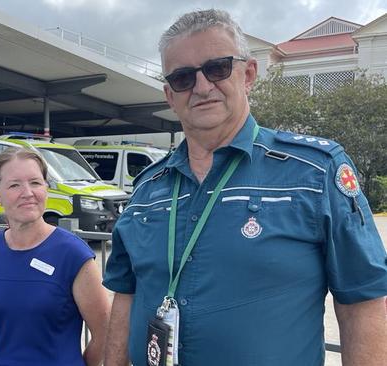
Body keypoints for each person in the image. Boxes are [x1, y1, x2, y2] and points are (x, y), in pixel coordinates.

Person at [103, 9, 387, 366]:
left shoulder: (316, 173)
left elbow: (362, 301)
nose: (202, 86)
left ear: (249, 74)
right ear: (169, 95)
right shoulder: (147, 189)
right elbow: (125, 296)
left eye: (217, 68)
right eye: (183, 78)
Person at [0, 147, 110, 366]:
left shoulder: (74, 255)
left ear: (46, 189)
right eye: (15, 185)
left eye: (35, 182)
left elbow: (105, 332)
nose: (28, 192)